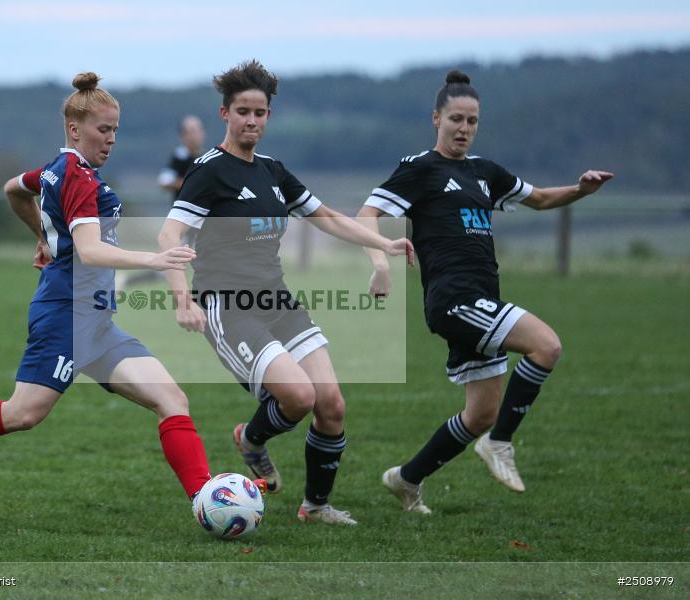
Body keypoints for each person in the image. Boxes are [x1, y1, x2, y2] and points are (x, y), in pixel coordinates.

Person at [0, 72, 219, 522]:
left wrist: (44, 234)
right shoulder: (75, 176)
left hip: (97, 323)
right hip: (64, 316)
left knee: (171, 399)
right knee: (22, 414)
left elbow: (13, 189)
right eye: (104, 129)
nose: (112, 139)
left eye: (116, 129)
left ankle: (205, 501)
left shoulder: (57, 169)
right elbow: (91, 250)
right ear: (75, 129)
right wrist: (157, 261)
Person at [158, 60, 414, 526]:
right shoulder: (208, 171)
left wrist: (383, 244)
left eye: (260, 112)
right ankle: (252, 440)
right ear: (225, 114)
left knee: (331, 403)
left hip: (277, 300)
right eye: (242, 111)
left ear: (269, 116)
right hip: (229, 307)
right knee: (297, 397)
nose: (251, 120)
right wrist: (182, 299)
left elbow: (329, 217)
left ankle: (315, 507)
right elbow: (169, 236)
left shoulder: (274, 172)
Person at [357, 70, 613, 514]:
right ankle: (499, 445)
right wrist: (381, 261)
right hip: (453, 300)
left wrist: (580, 190)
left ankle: (407, 478)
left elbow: (539, 199)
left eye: (472, 121)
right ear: (436, 118)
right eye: (456, 118)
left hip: (482, 300)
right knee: (546, 346)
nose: (464, 128)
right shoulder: (420, 169)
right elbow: (366, 215)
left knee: (480, 413)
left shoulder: (484, 172)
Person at [121, 115, 206, 290]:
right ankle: (125, 282)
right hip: (183, 222)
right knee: (167, 266)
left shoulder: (204, 158)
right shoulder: (180, 157)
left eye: (198, 130)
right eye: (190, 131)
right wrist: (191, 184)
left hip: (201, 222)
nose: (195, 135)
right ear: (183, 136)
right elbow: (164, 180)